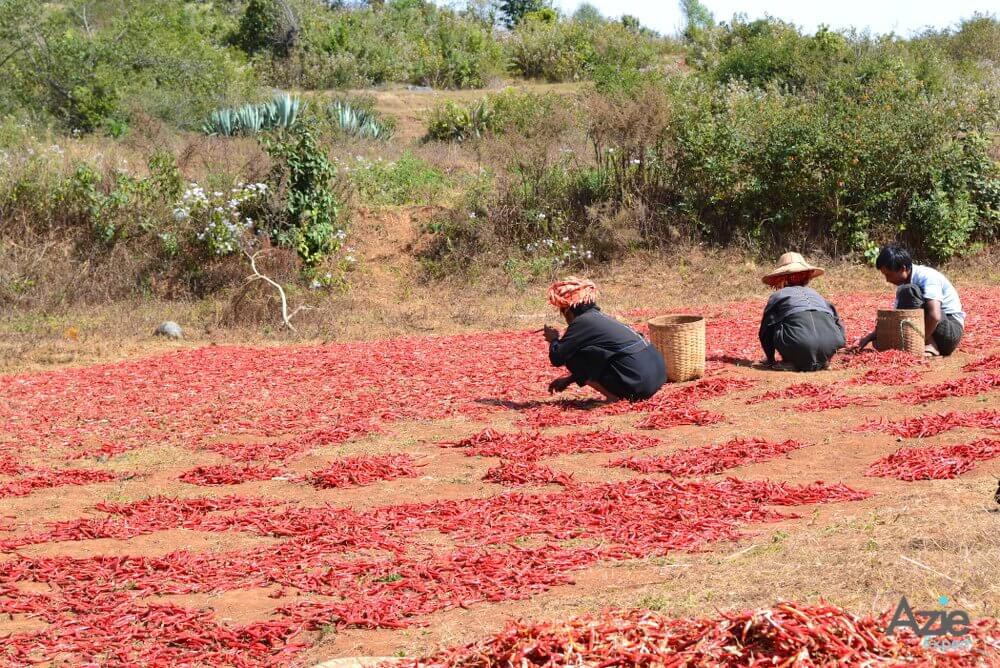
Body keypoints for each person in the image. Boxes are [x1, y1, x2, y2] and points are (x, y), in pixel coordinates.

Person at [543, 277, 666, 402]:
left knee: (573, 356)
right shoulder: (599, 317)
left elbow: (557, 358)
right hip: (657, 377)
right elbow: (601, 357)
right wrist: (569, 380)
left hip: (639, 386)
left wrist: (553, 339)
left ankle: (612, 397)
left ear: (568, 311)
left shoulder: (582, 322)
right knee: (589, 351)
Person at [854, 244, 965, 357]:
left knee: (910, 291)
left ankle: (931, 345)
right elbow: (898, 318)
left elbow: (935, 316)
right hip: (933, 330)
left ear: (903, 268)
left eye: (889, 275)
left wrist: (919, 342)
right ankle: (928, 343)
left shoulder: (927, 276)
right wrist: (867, 338)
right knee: (882, 341)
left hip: (950, 333)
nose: (887, 280)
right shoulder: (903, 286)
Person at [758, 252, 846, 371]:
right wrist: (829, 352)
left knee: (774, 323)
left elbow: (765, 331)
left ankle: (792, 362)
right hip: (830, 344)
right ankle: (822, 360)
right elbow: (838, 325)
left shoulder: (778, 296)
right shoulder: (817, 295)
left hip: (798, 345)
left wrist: (770, 359)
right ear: (807, 276)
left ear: (781, 278)